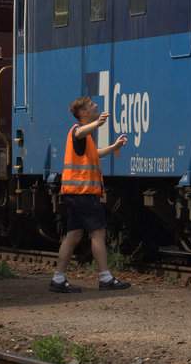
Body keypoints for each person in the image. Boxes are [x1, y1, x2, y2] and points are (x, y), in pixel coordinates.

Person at [50, 96, 131, 293]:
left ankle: (58, 279)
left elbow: (95, 153)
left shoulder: (85, 138)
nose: (96, 105)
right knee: (98, 233)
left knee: (73, 235)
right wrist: (98, 123)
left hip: (75, 194)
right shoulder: (78, 131)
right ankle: (105, 278)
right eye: (91, 105)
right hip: (83, 194)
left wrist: (113, 147)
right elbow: (80, 131)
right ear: (83, 114)